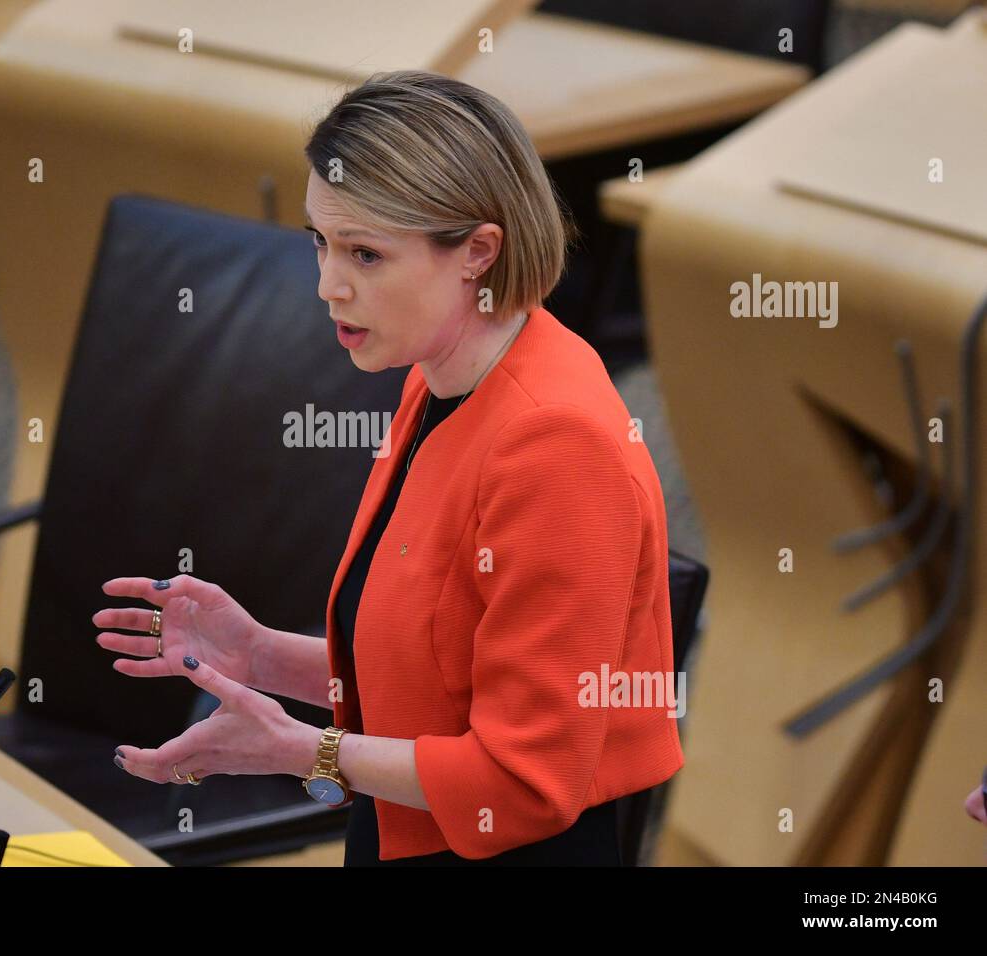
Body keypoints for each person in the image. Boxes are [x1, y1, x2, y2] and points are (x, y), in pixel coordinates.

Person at [93, 70, 683, 865]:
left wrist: (304, 751)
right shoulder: (438, 372)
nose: (327, 285)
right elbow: (436, 678)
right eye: (320, 242)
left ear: (478, 253)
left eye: (365, 254)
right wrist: (260, 655)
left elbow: (522, 782)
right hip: (409, 825)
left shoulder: (556, 445)